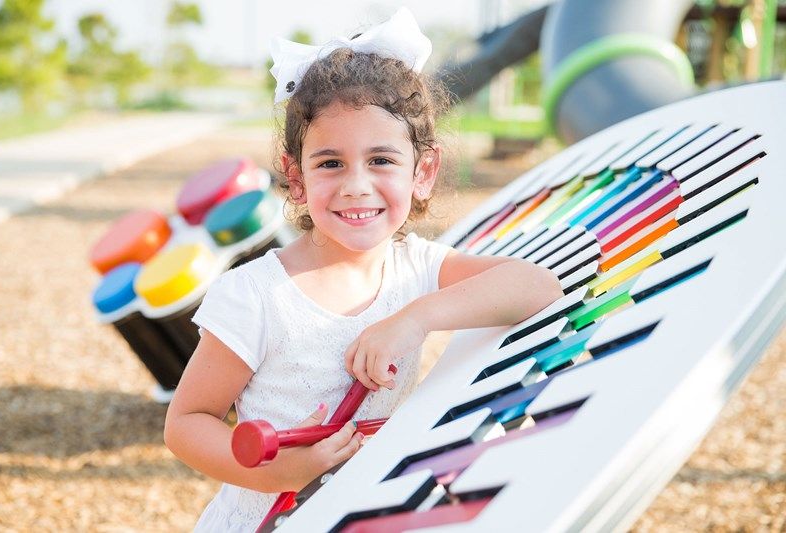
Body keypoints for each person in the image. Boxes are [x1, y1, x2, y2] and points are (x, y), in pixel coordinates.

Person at [164, 8, 563, 531]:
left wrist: (415, 319)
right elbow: (187, 424)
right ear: (296, 177)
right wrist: (277, 473)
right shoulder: (257, 295)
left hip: (366, 512)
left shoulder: (416, 268)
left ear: (423, 172)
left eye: (381, 160)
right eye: (330, 163)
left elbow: (537, 285)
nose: (356, 185)